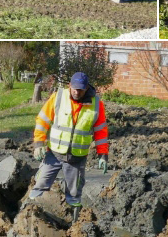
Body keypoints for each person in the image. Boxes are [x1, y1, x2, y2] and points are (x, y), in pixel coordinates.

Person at [28, 72, 108, 221]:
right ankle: (27, 218)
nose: (77, 92)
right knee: (39, 185)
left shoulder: (96, 105)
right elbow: (42, 120)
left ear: (86, 88)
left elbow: (101, 132)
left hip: (76, 159)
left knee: (74, 195)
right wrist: (39, 143)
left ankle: (72, 228)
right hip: (53, 154)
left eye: (81, 90)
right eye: (74, 88)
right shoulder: (58, 97)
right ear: (69, 85)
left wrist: (103, 155)